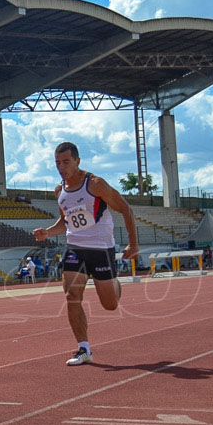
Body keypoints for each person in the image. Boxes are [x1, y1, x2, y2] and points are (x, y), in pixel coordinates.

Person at [33, 141, 138, 366]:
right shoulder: (59, 190)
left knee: (110, 305)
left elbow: (126, 208)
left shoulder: (96, 184)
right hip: (75, 248)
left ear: (78, 161)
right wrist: (48, 233)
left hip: (101, 248)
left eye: (66, 162)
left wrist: (133, 244)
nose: (61, 167)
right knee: (72, 296)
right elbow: (65, 221)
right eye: (57, 163)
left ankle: (115, 284)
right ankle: (84, 348)